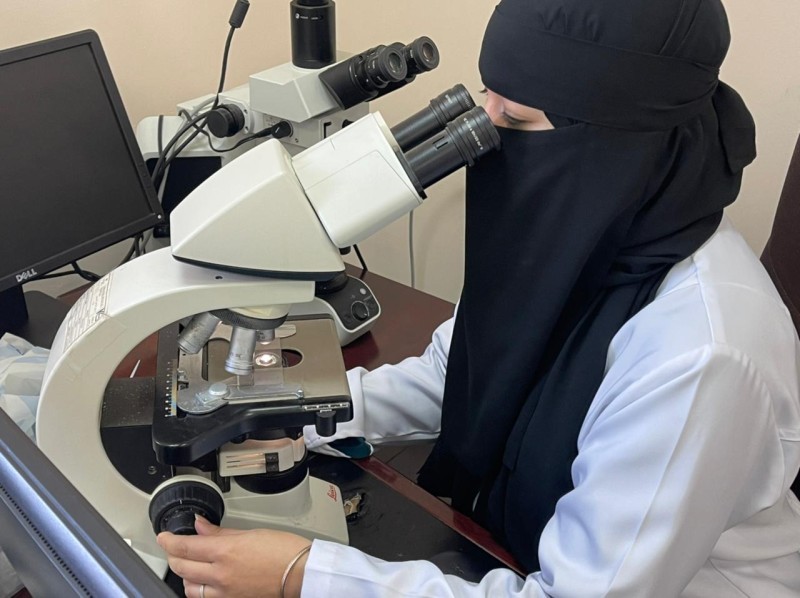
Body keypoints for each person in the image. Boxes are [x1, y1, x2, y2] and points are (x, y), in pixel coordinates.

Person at [158, 0, 800, 596]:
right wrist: (280, 414)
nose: (488, 137)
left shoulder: (700, 355)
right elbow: (460, 372)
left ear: (609, 144)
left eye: (514, 121)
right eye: (484, 102)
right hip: (518, 543)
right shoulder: (585, 236)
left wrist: (302, 575)